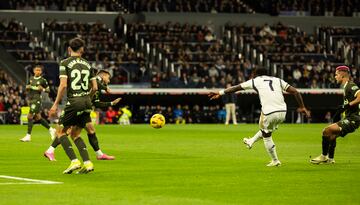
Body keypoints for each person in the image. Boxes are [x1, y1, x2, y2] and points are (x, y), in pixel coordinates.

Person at [209, 68, 310, 166]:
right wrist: (302, 107)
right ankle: (251, 141)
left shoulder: (256, 81)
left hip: (269, 112)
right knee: (265, 129)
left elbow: (236, 88)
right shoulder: (277, 80)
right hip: (283, 111)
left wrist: (219, 93)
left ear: (256, 74)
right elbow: (295, 92)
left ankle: (275, 160)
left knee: (266, 135)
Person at [44, 70, 121, 161]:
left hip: (84, 109)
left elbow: (96, 103)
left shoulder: (97, 86)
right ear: (104, 75)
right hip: (77, 107)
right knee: (67, 132)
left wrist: (111, 103)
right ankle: (50, 151)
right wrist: (105, 87)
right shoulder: (96, 80)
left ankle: (99, 154)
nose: (109, 81)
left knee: (90, 130)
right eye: (108, 78)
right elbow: (95, 83)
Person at [49, 37, 97, 174]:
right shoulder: (88, 64)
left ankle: (74, 161)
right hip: (87, 101)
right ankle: (87, 163)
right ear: (82, 50)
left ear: (69, 49)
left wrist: (55, 104)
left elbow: (63, 85)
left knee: (60, 132)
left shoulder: (64, 63)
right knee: (75, 134)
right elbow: (94, 87)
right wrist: (87, 99)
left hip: (74, 101)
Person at [311, 66, 360, 164]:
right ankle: (330, 159)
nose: (335, 77)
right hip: (350, 117)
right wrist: (342, 110)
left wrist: (346, 106)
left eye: (336, 74)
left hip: (353, 119)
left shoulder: (350, 85)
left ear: (342, 75)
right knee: (331, 136)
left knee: (326, 131)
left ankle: (323, 156)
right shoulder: (346, 86)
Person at [20, 65, 56, 142]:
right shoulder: (31, 78)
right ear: (34, 71)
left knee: (29, 117)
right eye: (36, 70)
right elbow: (27, 87)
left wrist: (42, 89)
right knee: (38, 118)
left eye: (39, 70)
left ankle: (28, 136)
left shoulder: (43, 80)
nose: (38, 71)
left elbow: (48, 90)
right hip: (31, 99)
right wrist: (27, 88)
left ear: (41, 72)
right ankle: (51, 129)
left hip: (37, 100)